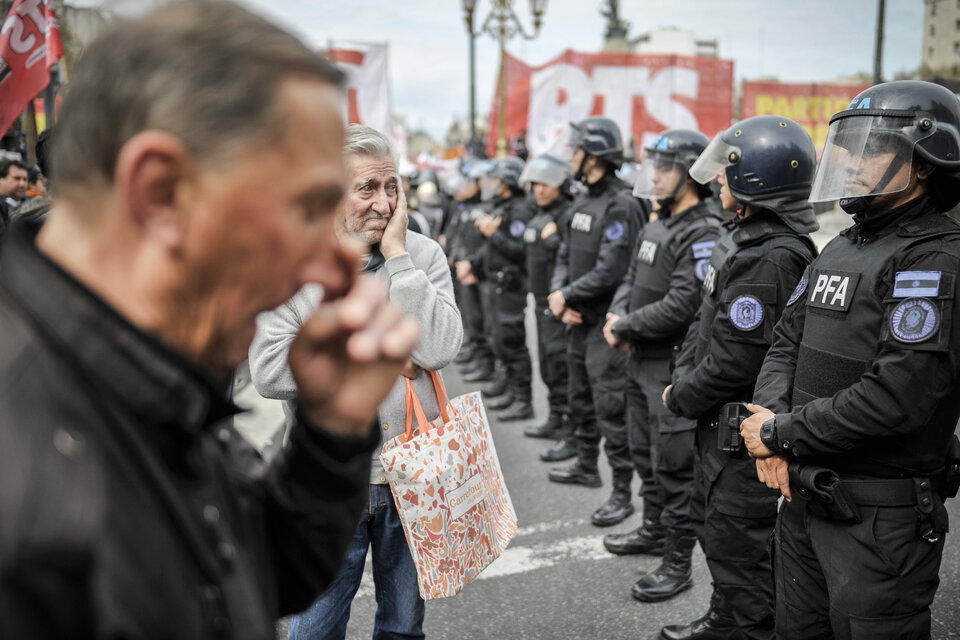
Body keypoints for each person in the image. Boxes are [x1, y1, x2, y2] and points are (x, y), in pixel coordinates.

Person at [0, 3, 422, 637]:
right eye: (305, 209)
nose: (334, 272)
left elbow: (249, 568)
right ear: (161, 192)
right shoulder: (26, 494)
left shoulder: (142, 365)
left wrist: (331, 436)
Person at [743, 80, 960, 640]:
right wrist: (769, 432)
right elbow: (785, 344)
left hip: (875, 517)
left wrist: (780, 433)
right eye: (851, 146)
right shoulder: (841, 247)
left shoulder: (933, 259)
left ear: (927, 163)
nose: (853, 160)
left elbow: (897, 397)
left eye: (875, 148)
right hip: (803, 494)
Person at [249, 124, 462, 640]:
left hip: (414, 475)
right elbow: (270, 371)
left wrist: (399, 261)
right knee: (312, 628)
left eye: (393, 187)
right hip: (328, 480)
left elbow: (439, 347)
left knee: (403, 622)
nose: (384, 203)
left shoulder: (422, 254)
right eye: (366, 188)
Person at [661, 116, 820, 640]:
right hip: (721, 435)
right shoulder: (750, 240)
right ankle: (723, 620)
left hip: (742, 439)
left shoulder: (772, 256)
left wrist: (680, 395)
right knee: (721, 540)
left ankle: (745, 627)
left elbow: (736, 362)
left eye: (730, 172)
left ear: (758, 181)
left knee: (741, 549)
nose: (719, 182)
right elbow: (712, 331)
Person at [602, 130, 723, 604]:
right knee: (644, 455)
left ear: (693, 172)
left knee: (674, 468)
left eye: (666, 166)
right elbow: (631, 276)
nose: (655, 175)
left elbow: (684, 304)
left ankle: (678, 562)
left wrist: (624, 324)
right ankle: (652, 530)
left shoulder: (703, 230)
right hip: (638, 360)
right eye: (653, 165)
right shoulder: (658, 223)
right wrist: (619, 316)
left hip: (670, 368)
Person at [547, 116, 644, 529]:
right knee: (579, 396)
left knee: (610, 406)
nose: (570, 156)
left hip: (605, 324)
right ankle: (587, 464)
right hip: (575, 318)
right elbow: (564, 256)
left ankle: (622, 491)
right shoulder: (580, 201)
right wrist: (559, 296)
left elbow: (614, 268)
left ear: (594, 155)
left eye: (576, 149)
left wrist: (566, 294)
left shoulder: (622, 202)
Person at [466, 156, 538, 421]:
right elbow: (491, 249)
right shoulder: (501, 207)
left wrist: (491, 233)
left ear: (508, 183)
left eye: (496, 179)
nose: (490, 184)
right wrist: (472, 264)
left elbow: (520, 250)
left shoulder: (519, 210)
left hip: (511, 286)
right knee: (499, 340)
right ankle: (509, 386)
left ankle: (523, 400)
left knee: (512, 342)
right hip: (495, 285)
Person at [517, 155, 573, 449]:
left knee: (561, 364)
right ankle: (555, 417)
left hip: (557, 303)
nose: (540, 189)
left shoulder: (566, 215)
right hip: (538, 301)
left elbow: (572, 257)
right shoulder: (537, 214)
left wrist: (555, 241)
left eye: (546, 184)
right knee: (547, 363)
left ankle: (568, 428)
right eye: (536, 184)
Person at [451, 159, 497, 382]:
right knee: (471, 318)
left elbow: (488, 246)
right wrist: (459, 260)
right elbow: (459, 238)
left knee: (487, 324)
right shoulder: (465, 209)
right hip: (465, 273)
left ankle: (489, 367)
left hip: (482, 275)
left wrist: (471, 264)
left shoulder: (490, 209)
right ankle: (480, 360)